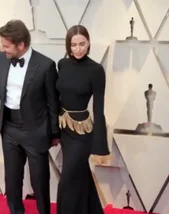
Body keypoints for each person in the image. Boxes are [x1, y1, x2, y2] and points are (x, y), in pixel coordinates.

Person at [0, 19, 60, 214]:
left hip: (35, 131)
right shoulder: (1, 58)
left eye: (6, 46)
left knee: (39, 182)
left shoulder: (46, 66)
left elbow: (53, 103)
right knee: (11, 181)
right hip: (9, 128)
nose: (2, 49)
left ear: (21, 45)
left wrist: (54, 134)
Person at [56, 25, 110, 214]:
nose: (78, 49)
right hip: (64, 128)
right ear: (68, 46)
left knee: (68, 177)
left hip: (82, 133)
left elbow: (98, 108)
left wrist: (99, 145)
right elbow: (56, 97)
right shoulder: (61, 65)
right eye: (74, 45)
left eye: (82, 44)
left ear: (88, 44)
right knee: (80, 175)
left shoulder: (96, 70)